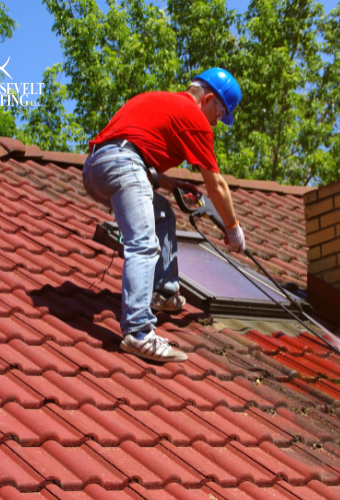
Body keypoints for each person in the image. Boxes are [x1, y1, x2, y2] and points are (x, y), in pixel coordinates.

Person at [82, 68, 246, 363]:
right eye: (219, 114)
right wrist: (233, 228)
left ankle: (164, 292)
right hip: (123, 163)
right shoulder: (195, 117)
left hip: (95, 168)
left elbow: (129, 154)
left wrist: (172, 184)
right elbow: (216, 184)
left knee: (161, 215)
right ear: (208, 99)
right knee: (143, 243)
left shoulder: (160, 100)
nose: (216, 123)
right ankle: (139, 333)